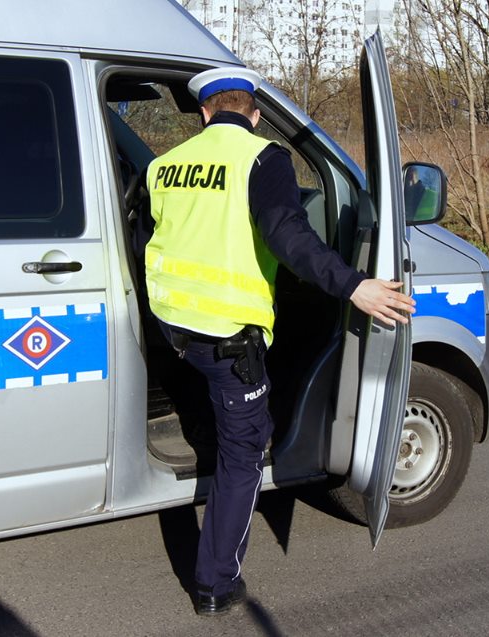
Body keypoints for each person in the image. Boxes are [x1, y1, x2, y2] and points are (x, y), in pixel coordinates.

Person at [144, 67, 415, 616]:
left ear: (204, 113)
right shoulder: (263, 159)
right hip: (229, 336)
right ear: (256, 114)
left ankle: (203, 430)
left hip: (172, 327)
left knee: (208, 401)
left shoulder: (163, 167)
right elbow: (287, 235)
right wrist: (354, 284)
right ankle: (215, 585)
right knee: (244, 453)